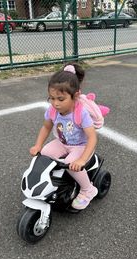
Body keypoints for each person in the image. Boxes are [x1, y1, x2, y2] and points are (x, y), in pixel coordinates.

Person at [30, 64, 98, 210]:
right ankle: (55, 181)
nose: (55, 103)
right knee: (45, 154)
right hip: (63, 142)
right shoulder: (52, 111)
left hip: (81, 146)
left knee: (70, 162)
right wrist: (38, 145)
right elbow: (46, 127)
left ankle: (88, 190)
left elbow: (92, 138)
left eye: (61, 99)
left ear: (76, 96)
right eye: (52, 98)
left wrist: (82, 159)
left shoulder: (81, 113)